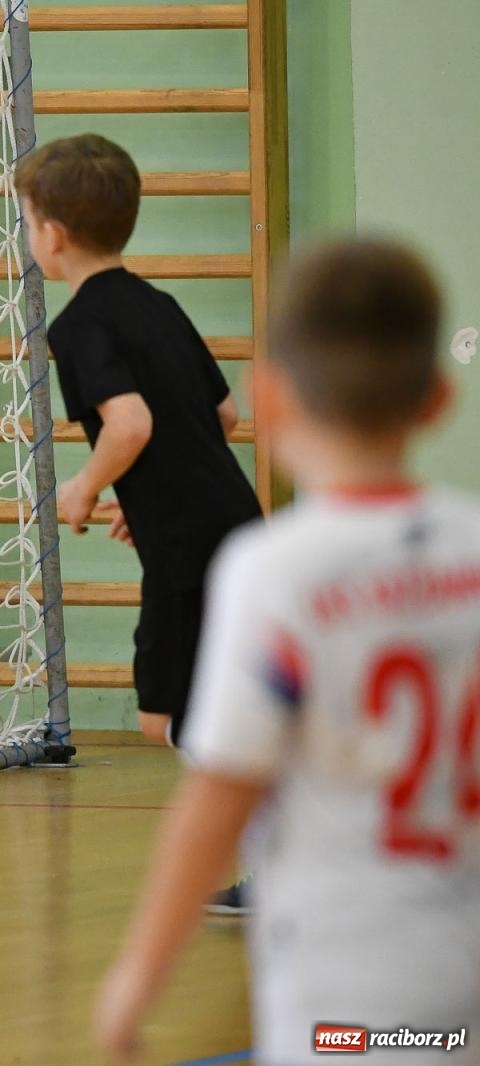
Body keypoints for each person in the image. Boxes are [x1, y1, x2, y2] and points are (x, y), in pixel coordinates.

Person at [95, 238, 480, 1064]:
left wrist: (138, 974)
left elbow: (219, 798)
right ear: (439, 400)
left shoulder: (275, 570)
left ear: (271, 396)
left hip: (345, 990)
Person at [16, 133, 262, 753]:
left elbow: (130, 424)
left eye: (27, 221)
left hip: (187, 548)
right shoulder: (160, 303)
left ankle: (274, 807)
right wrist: (150, 492)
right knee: (221, 696)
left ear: (53, 236)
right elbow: (223, 414)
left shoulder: (77, 327)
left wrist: (84, 487)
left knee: (166, 714)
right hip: (232, 520)